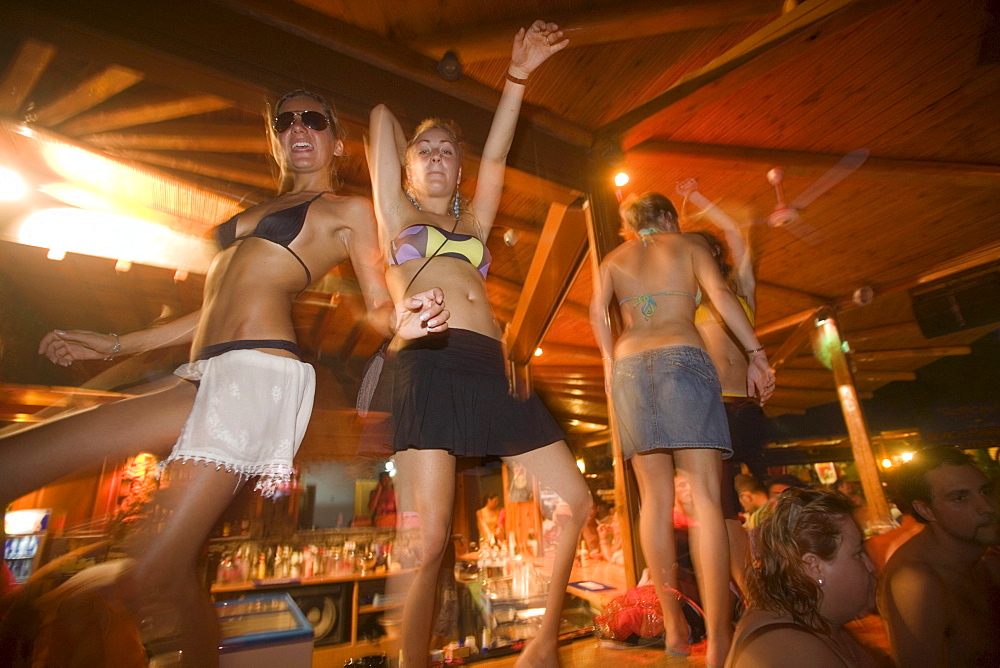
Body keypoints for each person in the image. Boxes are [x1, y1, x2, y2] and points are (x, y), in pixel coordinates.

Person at [0, 89, 449, 667]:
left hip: (257, 379)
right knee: (36, 466)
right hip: (199, 370)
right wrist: (114, 342)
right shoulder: (256, 209)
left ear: (337, 141)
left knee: (136, 584)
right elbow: (213, 305)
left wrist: (404, 319)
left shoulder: (348, 211)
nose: (297, 129)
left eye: (313, 119)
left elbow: (377, 300)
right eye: (285, 121)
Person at [368, 21, 591, 668]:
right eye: (425, 151)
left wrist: (517, 76)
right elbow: (380, 116)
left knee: (576, 500)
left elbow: (495, 158)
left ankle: (542, 644)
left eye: (446, 151)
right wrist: (405, 121)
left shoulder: (472, 223)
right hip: (428, 362)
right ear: (407, 170)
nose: (438, 157)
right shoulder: (397, 215)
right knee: (430, 539)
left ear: (458, 172)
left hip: (490, 366)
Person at [590, 192, 775, 666]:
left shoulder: (614, 258)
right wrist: (756, 353)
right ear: (669, 218)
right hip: (682, 359)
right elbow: (720, 296)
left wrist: (609, 365)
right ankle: (716, 638)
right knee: (708, 498)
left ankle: (673, 629)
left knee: (654, 500)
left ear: (632, 227)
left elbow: (597, 312)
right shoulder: (689, 244)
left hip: (630, 366)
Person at [877, 446, 1000, 666]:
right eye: (960, 498)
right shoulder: (916, 580)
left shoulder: (987, 560)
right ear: (926, 510)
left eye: (985, 491)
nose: (987, 507)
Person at [727, 488, 878, 667]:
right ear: (813, 566)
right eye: (858, 553)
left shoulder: (812, 623)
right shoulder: (787, 649)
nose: (871, 567)